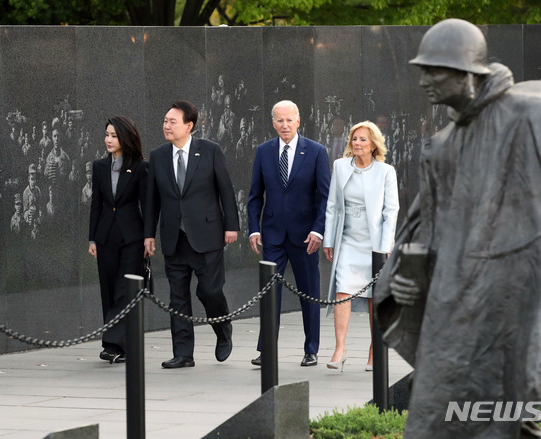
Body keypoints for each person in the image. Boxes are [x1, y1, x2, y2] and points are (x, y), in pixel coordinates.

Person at [376, 18, 541, 439]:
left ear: (467, 74)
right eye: (422, 69)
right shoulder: (441, 147)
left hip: (536, 287)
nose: (424, 80)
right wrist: (406, 278)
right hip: (468, 304)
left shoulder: (534, 115)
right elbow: (427, 228)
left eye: (434, 70)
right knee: (479, 415)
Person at [144, 100, 239, 369]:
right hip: (174, 238)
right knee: (178, 297)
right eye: (165, 121)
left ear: (189, 125)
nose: (166, 126)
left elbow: (226, 191)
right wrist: (148, 235)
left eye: (172, 122)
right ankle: (183, 353)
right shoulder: (159, 155)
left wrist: (231, 225)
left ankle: (223, 329)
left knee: (209, 291)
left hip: (208, 236)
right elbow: (152, 200)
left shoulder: (209, 151)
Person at [247, 100, 330, 367]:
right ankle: (266, 349)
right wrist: (253, 229)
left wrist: (318, 230)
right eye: (279, 120)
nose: (284, 125)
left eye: (289, 120)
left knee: (309, 293)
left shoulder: (316, 152)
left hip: (306, 236)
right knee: (269, 293)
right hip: (272, 235)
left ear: (298, 121)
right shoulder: (264, 151)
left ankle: (311, 349)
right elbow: (254, 195)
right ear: (273, 123)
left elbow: (324, 197)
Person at [322, 121, 398, 372]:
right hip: (348, 241)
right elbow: (332, 205)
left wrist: (385, 246)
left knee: (374, 298)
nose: (357, 143)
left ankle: (374, 350)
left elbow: (391, 211)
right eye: (354, 139)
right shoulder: (340, 166)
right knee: (342, 291)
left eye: (363, 139)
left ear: (373, 144)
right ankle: (339, 349)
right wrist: (329, 240)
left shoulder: (386, 171)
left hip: (374, 244)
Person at [88, 116, 148, 364]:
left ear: (125, 137)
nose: (109, 140)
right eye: (107, 135)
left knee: (125, 290)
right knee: (109, 290)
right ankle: (118, 343)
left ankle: (113, 343)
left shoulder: (140, 166)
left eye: (114, 135)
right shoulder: (100, 166)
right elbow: (97, 204)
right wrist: (92, 238)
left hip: (132, 238)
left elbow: (147, 204)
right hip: (105, 238)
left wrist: (148, 237)